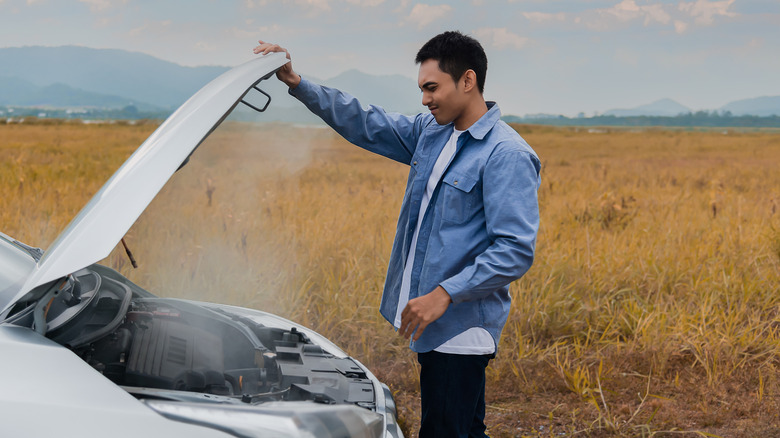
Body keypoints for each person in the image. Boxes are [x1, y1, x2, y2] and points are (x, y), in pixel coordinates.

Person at [254, 31, 540, 438]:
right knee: (466, 430)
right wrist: (298, 84)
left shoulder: (506, 154)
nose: (425, 99)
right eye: (422, 89)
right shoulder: (433, 132)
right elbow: (367, 121)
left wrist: (443, 294)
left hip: (459, 331)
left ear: (468, 81)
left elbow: (514, 250)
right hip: (435, 326)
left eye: (432, 87)